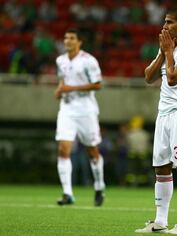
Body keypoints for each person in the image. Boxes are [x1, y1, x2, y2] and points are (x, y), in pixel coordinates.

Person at [135, 8, 177, 234]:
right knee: (161, 167)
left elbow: (173, 79)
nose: (165, 26)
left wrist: (169, 52)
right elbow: (148, 77)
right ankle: (160, 221)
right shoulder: (166, 47)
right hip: (164, 113)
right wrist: (164, 53)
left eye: (170, 22)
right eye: (164, 22)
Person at [54, 28, 105, 206]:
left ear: (79, 42)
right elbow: (63, 79)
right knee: (63, 149)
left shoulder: (88, 61)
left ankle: (99, 185)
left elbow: (98, 85)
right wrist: (60, 89)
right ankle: (68, 193)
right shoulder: (60, 60)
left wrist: (71, 89)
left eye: (71, 38)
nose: (67, 40)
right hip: (67, 109)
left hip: (86, 110)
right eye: (65, 37)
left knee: (92, 151)